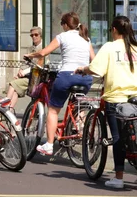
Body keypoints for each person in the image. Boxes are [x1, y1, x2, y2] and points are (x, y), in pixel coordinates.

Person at [75, 16, 137, 189]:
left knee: (118, 138)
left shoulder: (110, 48)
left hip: (116, 100)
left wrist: (83, 70)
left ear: (113, 30)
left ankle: (119, 178)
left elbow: (96, 69)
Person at [29, 13, 95, 156]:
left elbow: (44, 52)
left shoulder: (62, 36)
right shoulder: (86, 38)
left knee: (53, 110)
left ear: (65, 25)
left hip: (67, 76)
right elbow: (93, 60)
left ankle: (49, 145)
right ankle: (81, 131)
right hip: (85, 78)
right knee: (78, 105)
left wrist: (30, 55)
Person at [5, 26, 44, 108]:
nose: (33, 37)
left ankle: (4, 108)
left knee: (13, 84)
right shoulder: (30, 48)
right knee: (15, 90)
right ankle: (10, 110)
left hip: (36, 78)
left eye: (36, 35)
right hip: (28, 76)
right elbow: (25, 63)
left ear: (40, 35)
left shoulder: (43, 48)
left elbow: (39, 66)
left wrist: (24, 72)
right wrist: (19, 72)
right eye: (32, 35)